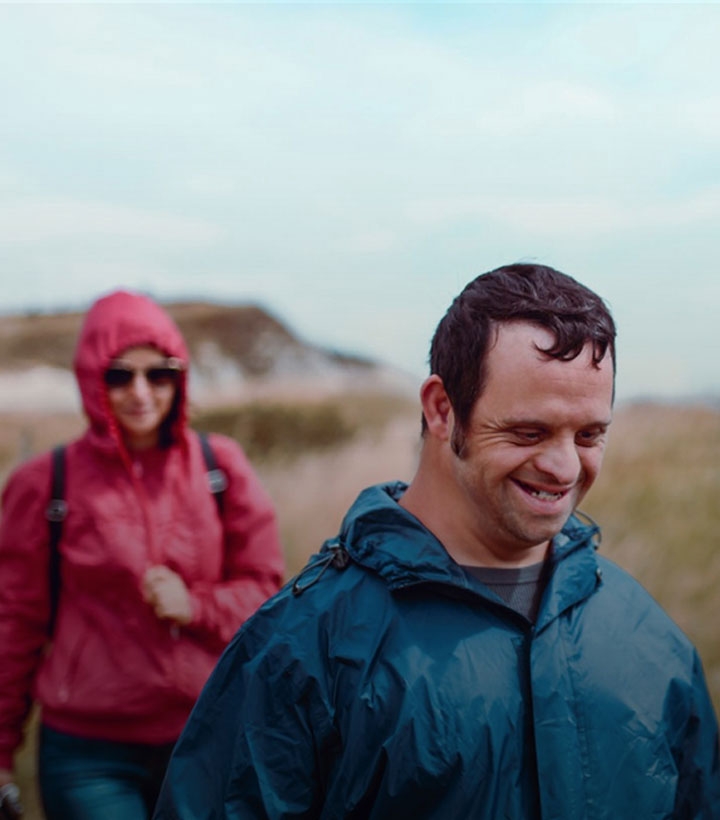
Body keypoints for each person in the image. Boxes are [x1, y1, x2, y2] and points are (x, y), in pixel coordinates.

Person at [153, 264, 720, 819]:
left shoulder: (650, 639)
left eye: (590, 434)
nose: (565, 466)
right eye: (529, 432)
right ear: (442, 409)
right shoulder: (303, 649)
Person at [0, 290, 285, 819]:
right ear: (91, 378)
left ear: (180, 377)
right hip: (88, 756)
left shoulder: (219, 467)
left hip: (206, 737)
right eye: (119, 375)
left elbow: (268, 595)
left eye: (159, 374)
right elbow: (14, 624)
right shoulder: (44, 485)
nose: (140, 392)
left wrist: (195, 604)